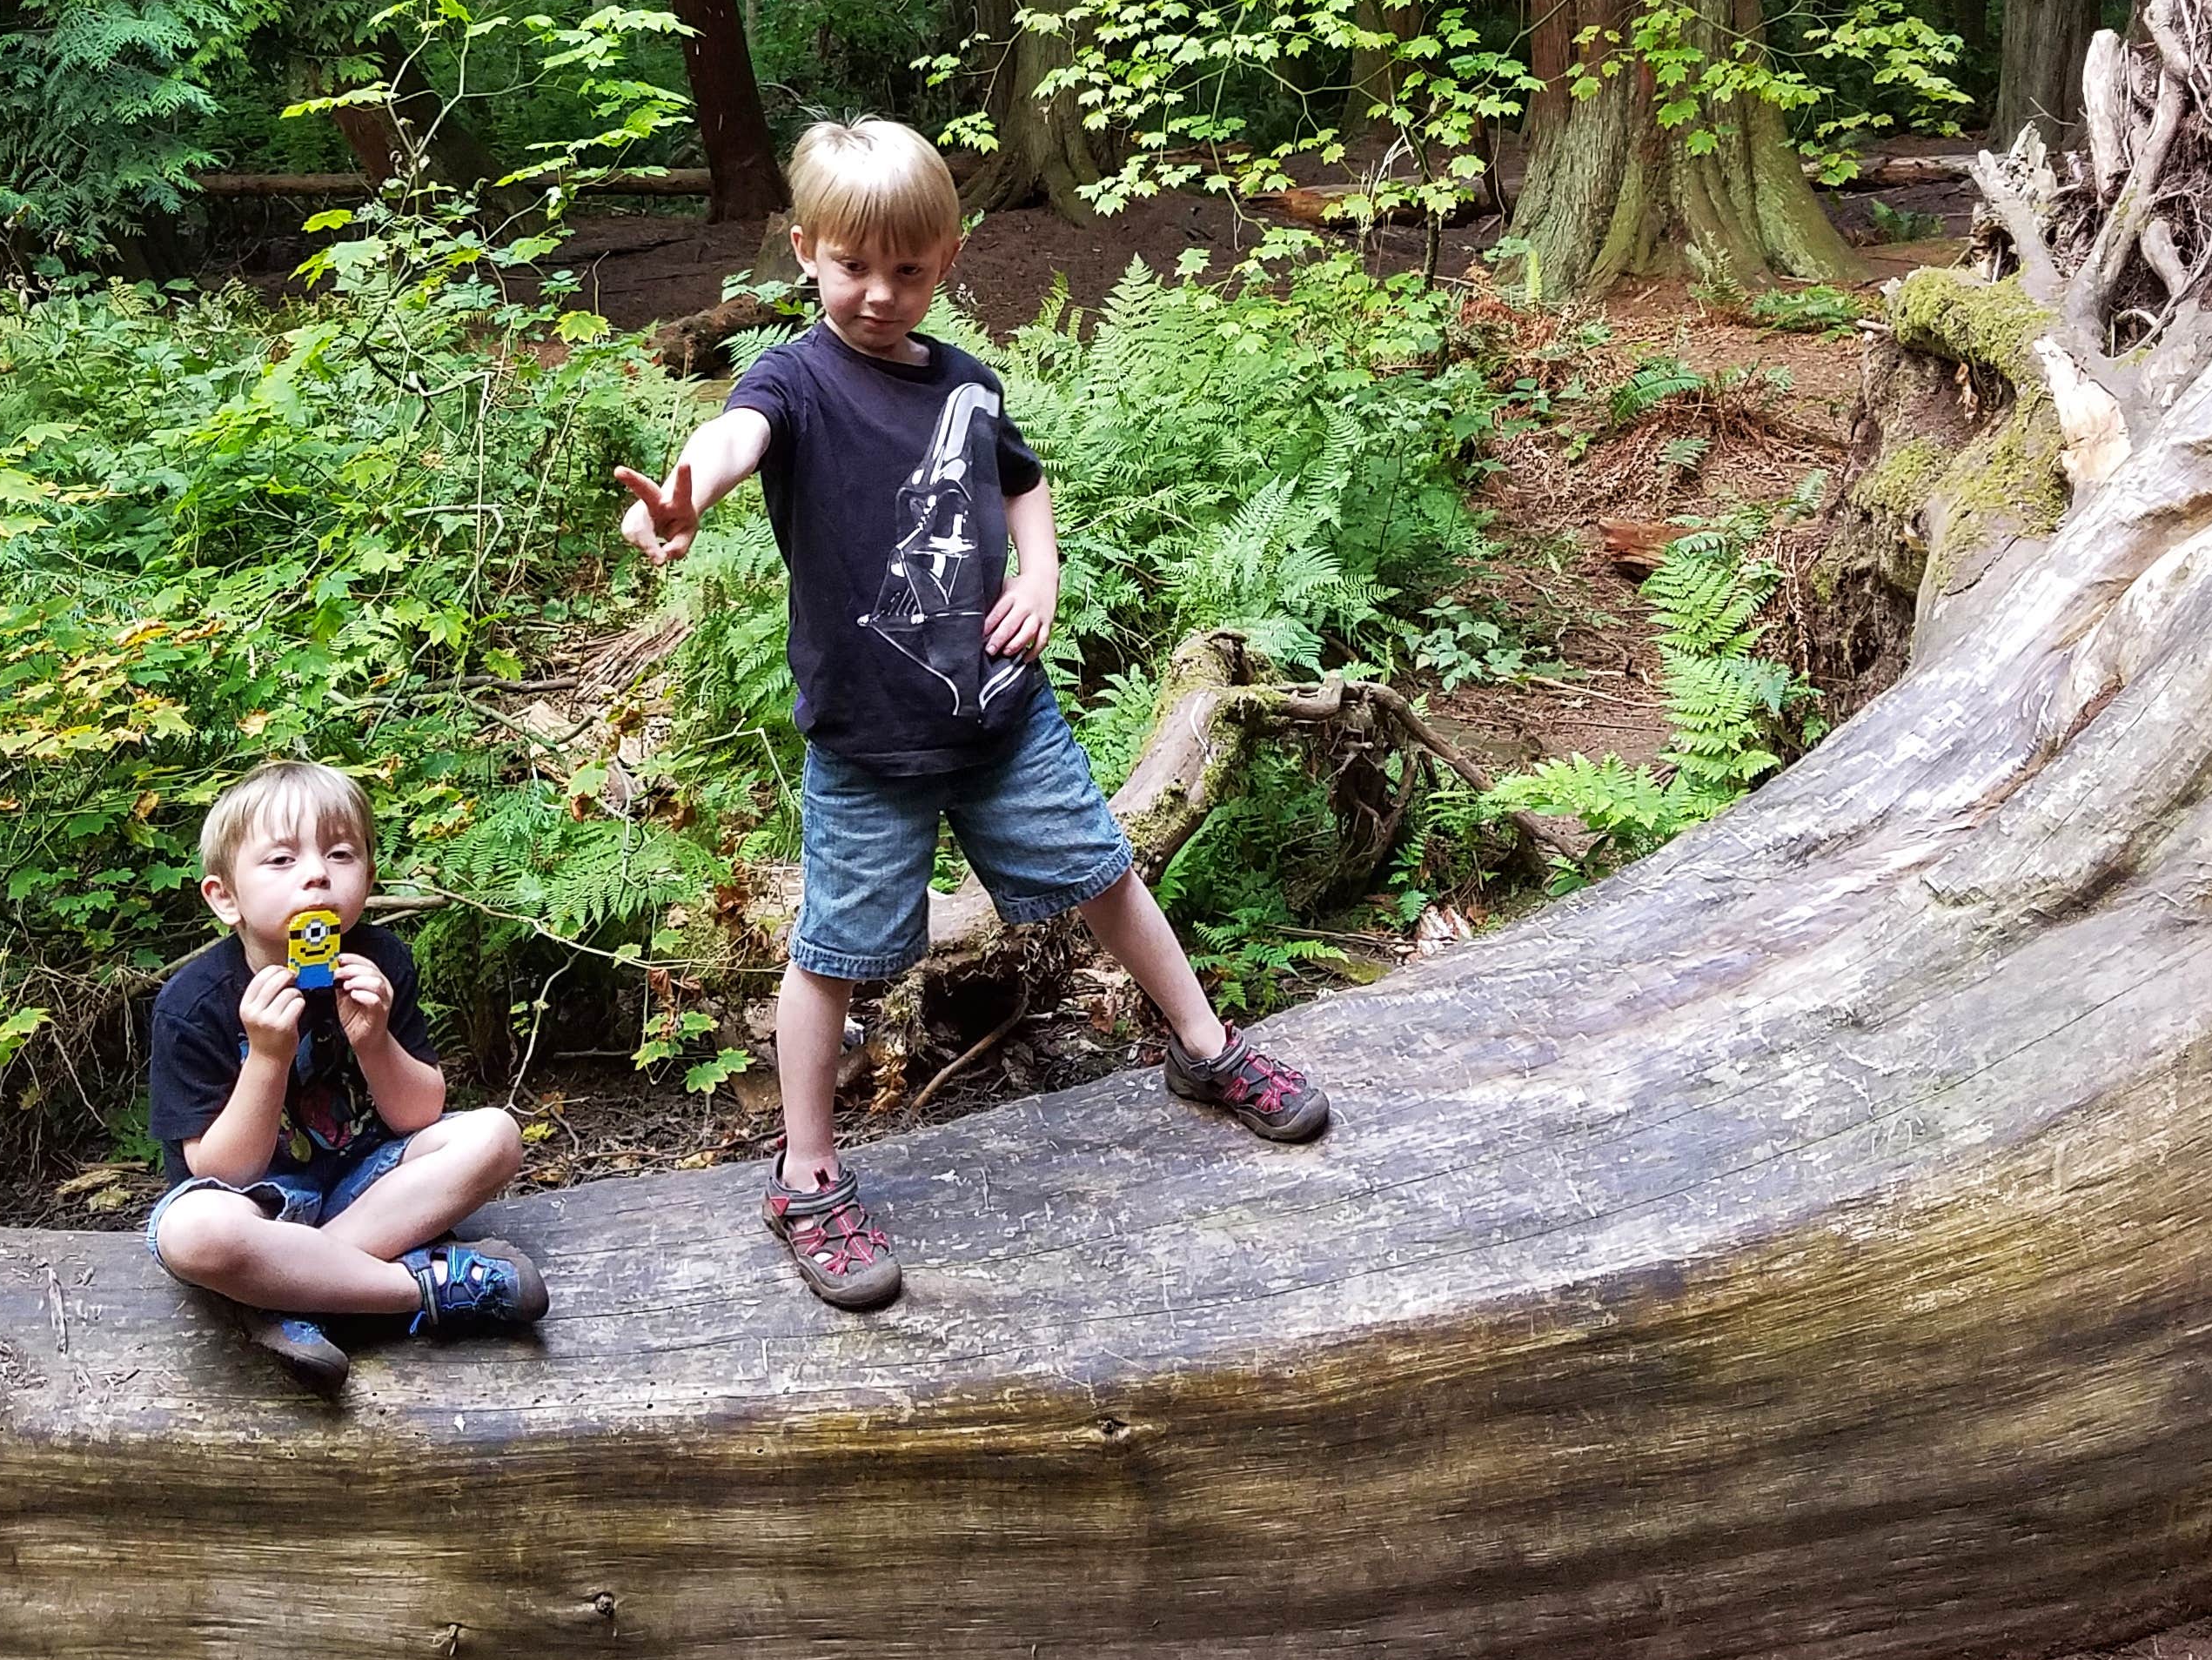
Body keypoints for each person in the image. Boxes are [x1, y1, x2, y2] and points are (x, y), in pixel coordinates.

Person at [616, 117, 1327, 1312]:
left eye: (907, 269)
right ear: (806, 253)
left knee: (1106, 873)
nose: (879, 294)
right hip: (868, 736)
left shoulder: (965, 382)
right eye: (852, 267)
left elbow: (1021, 475)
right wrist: (682, 501)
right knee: (835, 954)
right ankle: (806, 1175)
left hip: (1000, 715)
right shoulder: (793, 379)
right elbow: (734, 438)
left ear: (947, 259)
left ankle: (1208, 1054)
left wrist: (1040, 570)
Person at [145, 759, 547, 1389]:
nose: (315, 876)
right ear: (225, 898)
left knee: (494, 1133)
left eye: (339, 854)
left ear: (367, 875)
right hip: (261, 1210)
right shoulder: (193, 1003)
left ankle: (292, 1296)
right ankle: (417, 1288)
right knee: (192, 1234)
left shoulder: (381, 961)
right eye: (281, 861)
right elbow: (224, 1173)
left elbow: (417, 1116)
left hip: (367, 1189)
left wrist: (375, 1040)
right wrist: (269, 1057)